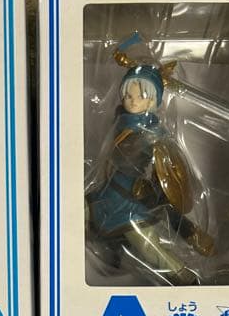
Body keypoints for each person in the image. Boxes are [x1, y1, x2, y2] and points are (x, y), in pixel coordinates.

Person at [86, 46, 215, 286]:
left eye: (141, 96)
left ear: (153, 100)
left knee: (146, 244)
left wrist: (151, 188)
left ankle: (184, 277)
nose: (133, 101)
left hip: (132, 199)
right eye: (128, 95)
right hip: (111, 190)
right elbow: (107, 160)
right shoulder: (120, 123)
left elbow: (167, 173)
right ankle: (111, 253)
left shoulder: (154, 135)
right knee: (87, 212)